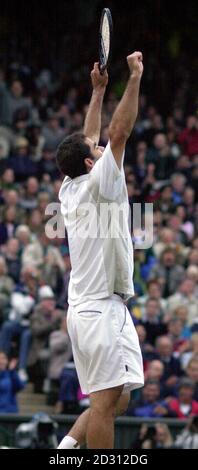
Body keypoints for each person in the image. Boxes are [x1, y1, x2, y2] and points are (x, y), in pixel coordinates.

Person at [57, 53, 144, 449]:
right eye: (95, 149)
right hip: (100, 310)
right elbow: (119, 132)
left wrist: (98, 91)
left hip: (88, 309)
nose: (98, 144)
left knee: (117, 398)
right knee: (107, 404)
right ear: (92, 163)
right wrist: (134, 78)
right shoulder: (98, 183)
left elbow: (88, 137)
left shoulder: (69, 186)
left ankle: (67, 450)